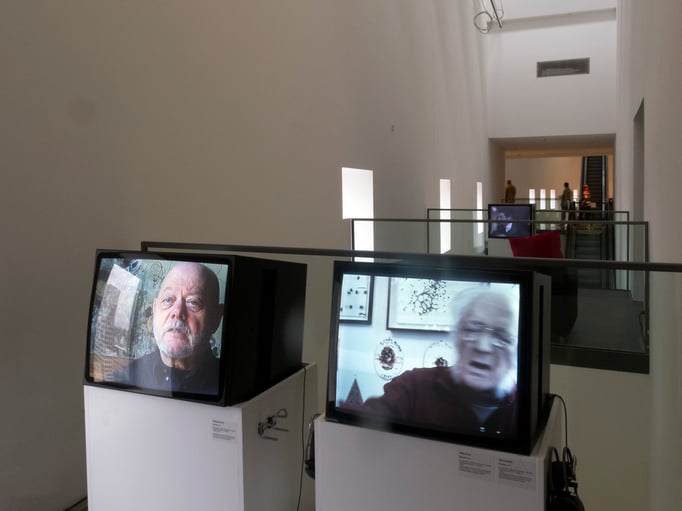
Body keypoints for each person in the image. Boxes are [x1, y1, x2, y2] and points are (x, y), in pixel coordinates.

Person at [358, 288, 518, 437]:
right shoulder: (414, 386)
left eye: (501, 336)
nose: (483, 346)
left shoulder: (525, 407)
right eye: (473, 329)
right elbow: (366, 420)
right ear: (456, 336)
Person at [117, 262, 223, 394]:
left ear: (216, 318)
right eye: (168, 300)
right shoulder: (122, 380)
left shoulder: (232, 384)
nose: (177, 312)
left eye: (193, 302)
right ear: (154, 309)